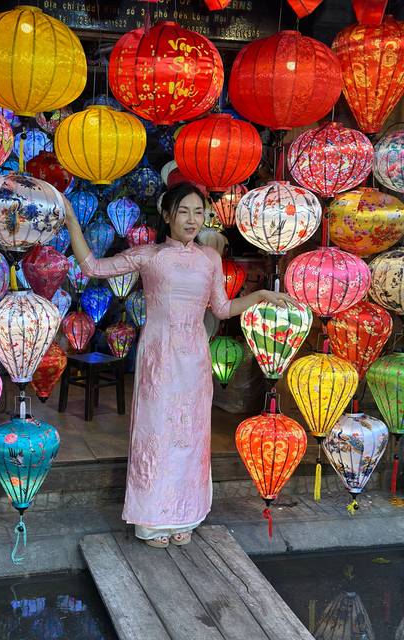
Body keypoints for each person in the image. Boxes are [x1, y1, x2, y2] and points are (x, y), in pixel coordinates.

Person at [66, 182, 295, 548]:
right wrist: (70, 218)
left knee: (190, 436)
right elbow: (92, 266)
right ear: (168, 215)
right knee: (156, 433)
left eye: (198, 212)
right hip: (159, 355)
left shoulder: (209, 258)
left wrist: (260, 295)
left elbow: (221, 309)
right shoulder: (149, 255)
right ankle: (153, 519)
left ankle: (184, 514)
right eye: (184, 212)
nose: (192, 219)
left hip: (194, 357)